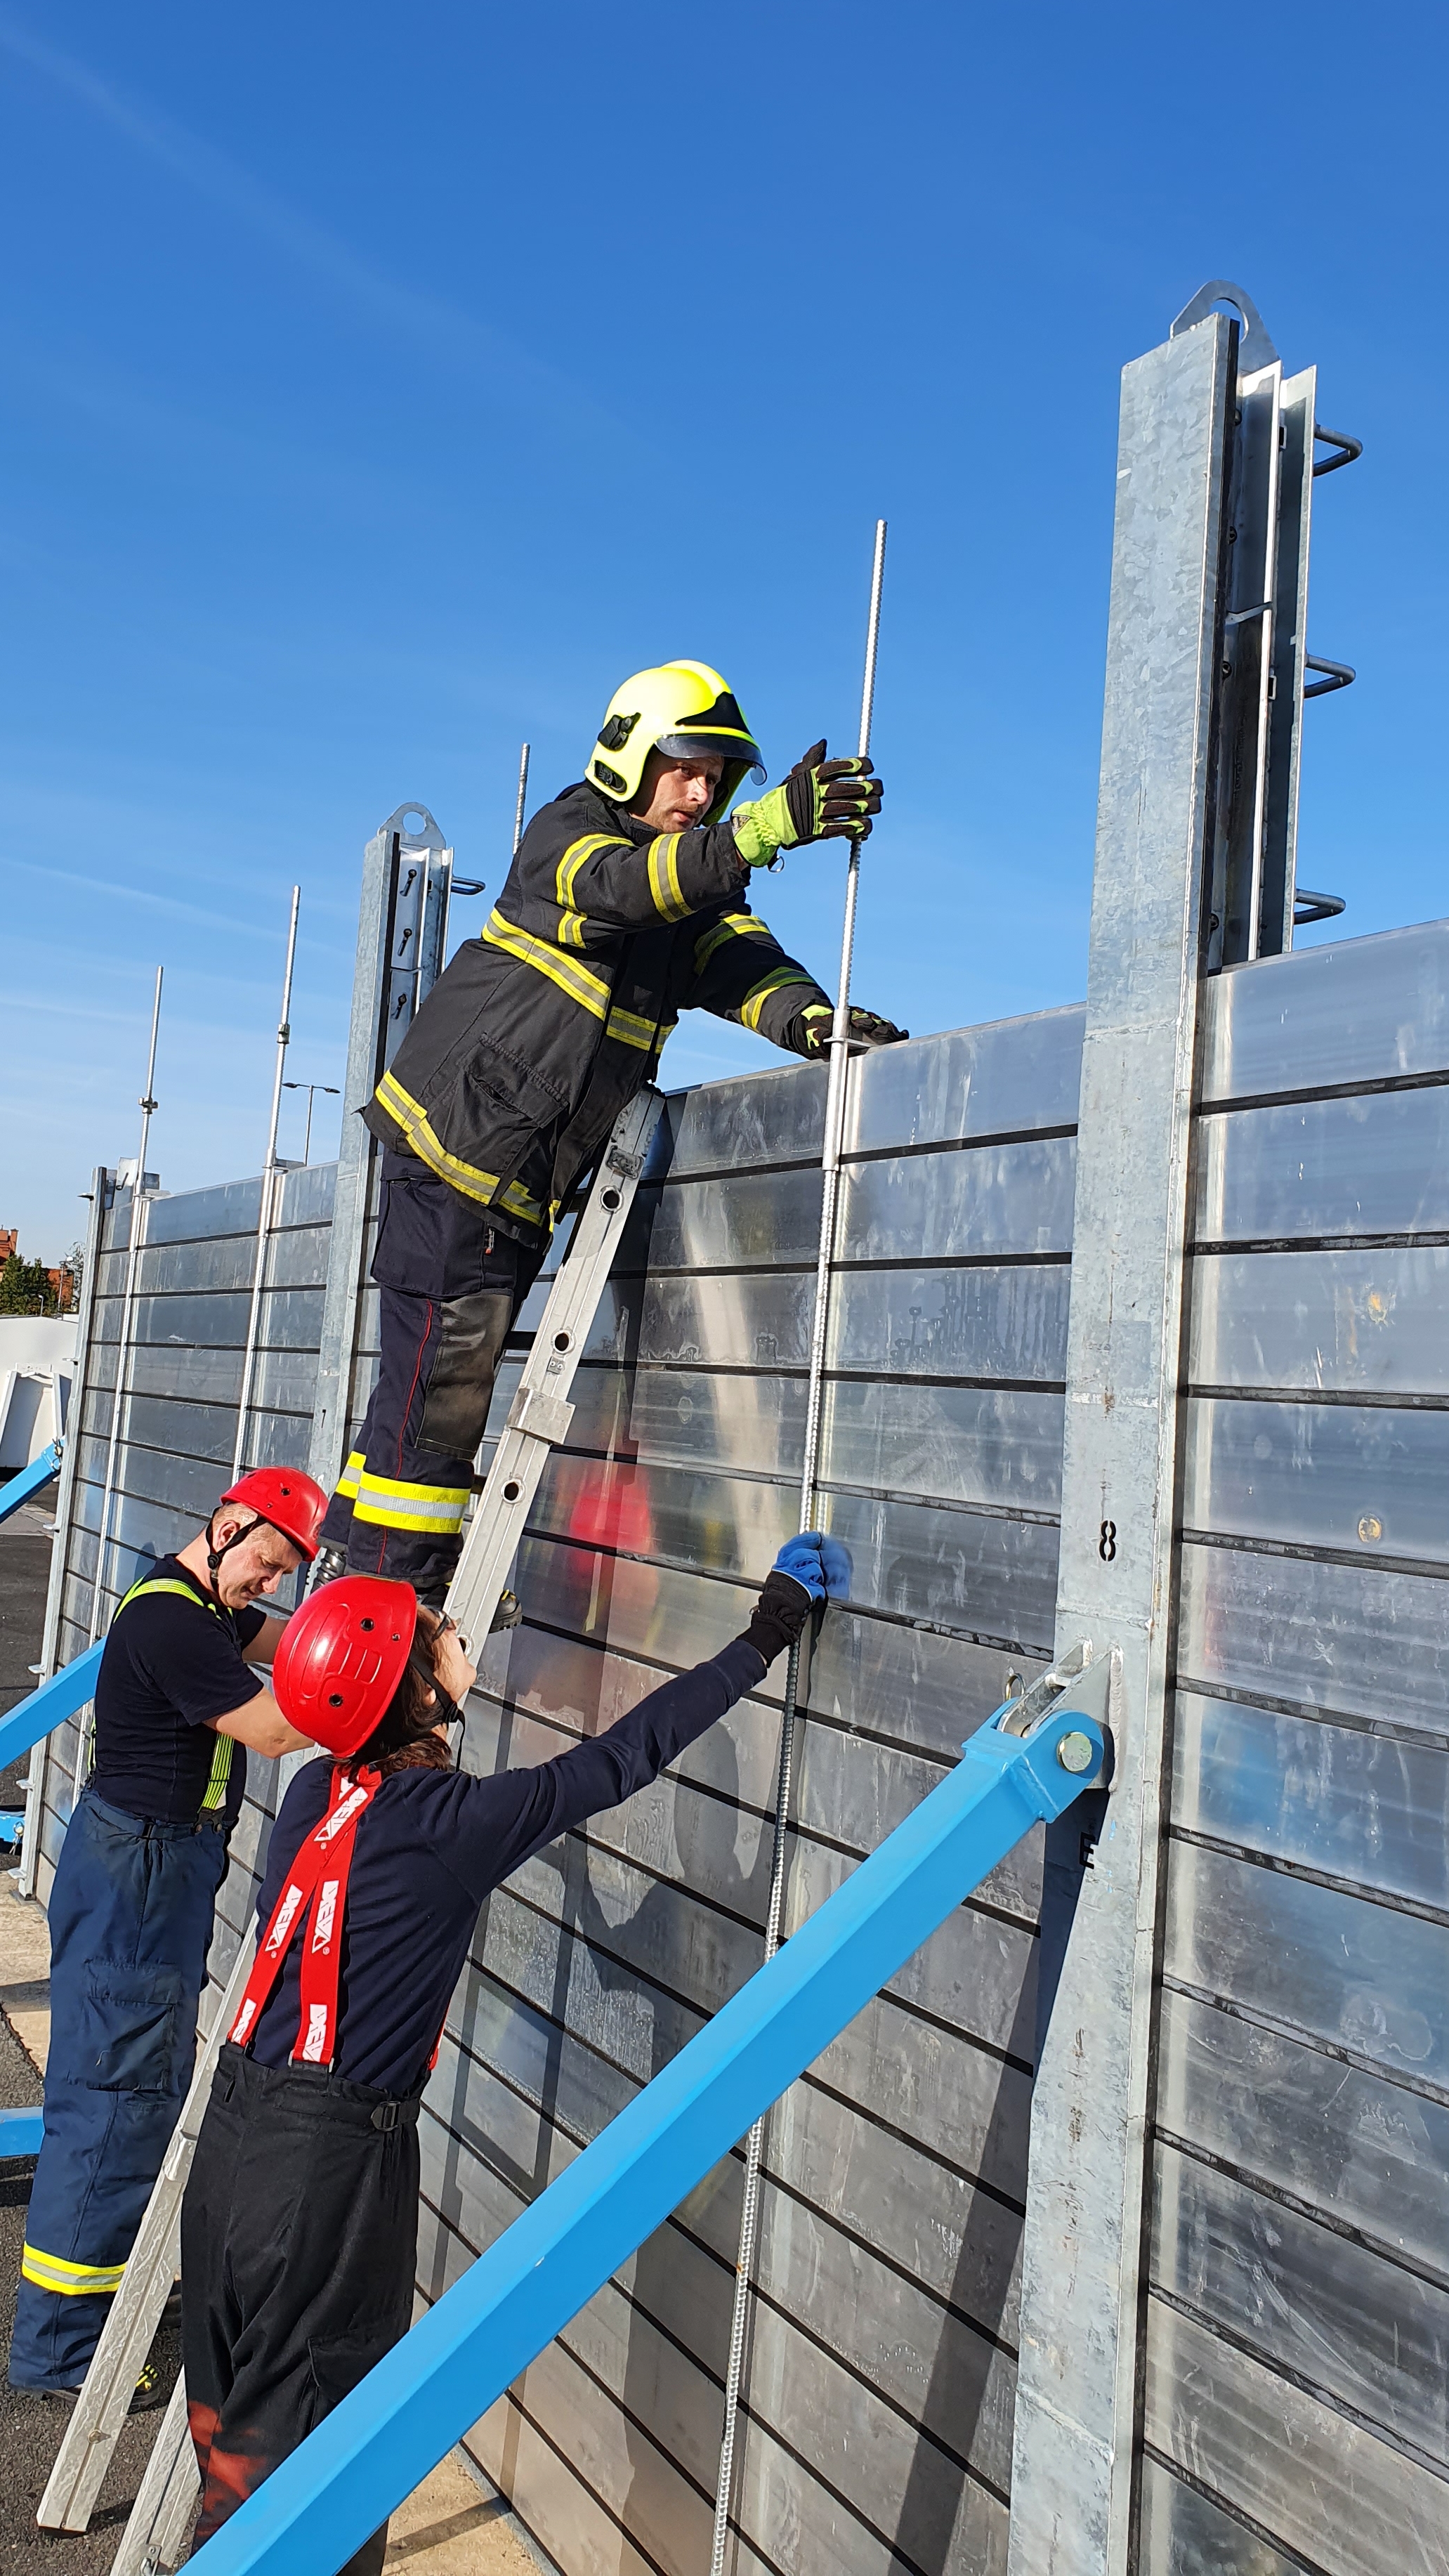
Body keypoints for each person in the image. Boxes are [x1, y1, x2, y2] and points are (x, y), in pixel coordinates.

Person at [179, 1533, 846, 2570]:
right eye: (439, 1640)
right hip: (324, 2173)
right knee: (321, 2470)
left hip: (230, 2146)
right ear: (412, 1698)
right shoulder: (455, 1823)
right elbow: (628, 1755)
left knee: (237, 2457)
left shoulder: (314, 1794)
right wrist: (765, 1635)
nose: (458, 1640)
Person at [314, 661, 907, 1604]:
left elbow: (737, 956)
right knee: (439, 1405)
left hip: (509, 1182)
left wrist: (808, 1020)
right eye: (686, 768)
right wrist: (762, 830)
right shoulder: (572, 835)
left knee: (420, 1397)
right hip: (459, 1159)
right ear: (631, 756)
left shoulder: (685, 889)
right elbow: (629, 889)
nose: (703, 793)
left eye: (719, 780)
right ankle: (394, 1609)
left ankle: (355, 1576)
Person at [8, 1468, 327, 2398]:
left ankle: (80, 2326)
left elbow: (291, 1639)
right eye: (265, 1563)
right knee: (113, 2101)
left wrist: (397, 1630)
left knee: (131, 2087)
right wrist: (379, 1687)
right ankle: (64, 2355)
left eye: (279, 1575)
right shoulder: (176, 1620)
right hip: (139, 1876)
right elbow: (271, 1730)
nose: (266, 1587)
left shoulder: (203, 1596)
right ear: (227, 1524)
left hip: (155, 1866)